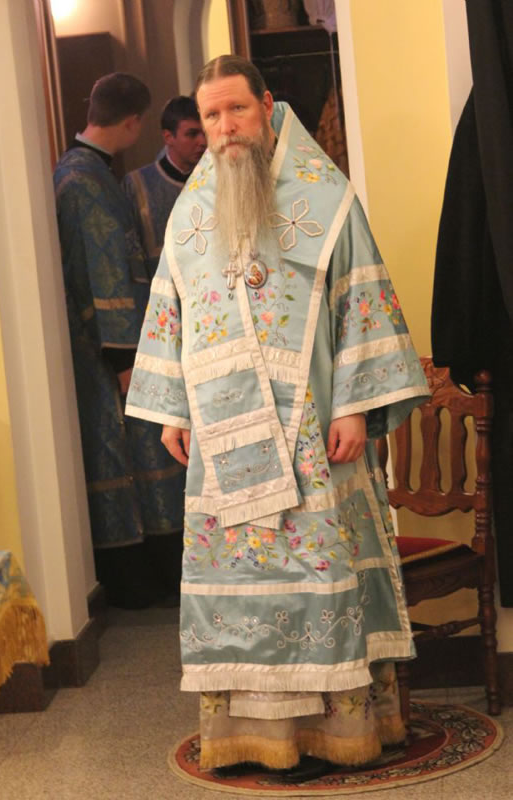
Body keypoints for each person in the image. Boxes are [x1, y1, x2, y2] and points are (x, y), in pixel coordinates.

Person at [125, 56, 429, 779]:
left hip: (315, 435)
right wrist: (172, 409)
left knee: (318, 578)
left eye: (237, 110)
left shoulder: (326, 200)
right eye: (211, 117)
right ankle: (254, 735)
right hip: (223, 443)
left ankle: (340, 731)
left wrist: (353, 405)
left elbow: (362, 301)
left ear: (267, 106)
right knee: (243, 590)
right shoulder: (191, 211)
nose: (225, 128)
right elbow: (170, 310)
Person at [54, 73, 186, 609]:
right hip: (109, 350)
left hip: (111, 345)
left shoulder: (81, 171)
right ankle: (138, 578)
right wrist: (125, 357)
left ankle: (150, 572)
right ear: (134, 123)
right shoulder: (85, 181)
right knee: (130, 455)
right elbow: (106, 271)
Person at [123, 96, 206, 260]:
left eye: (205, 133)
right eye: (192, 134)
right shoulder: (137, 184)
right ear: (168, 137)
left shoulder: (216, 180)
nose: (202, 142)